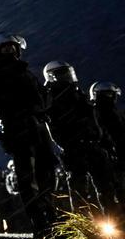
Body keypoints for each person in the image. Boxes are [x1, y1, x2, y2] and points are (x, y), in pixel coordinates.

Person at [0, 33, 58, 239]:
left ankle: (54, 223)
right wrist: (11, 96)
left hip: (38, 128)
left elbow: (43, 99)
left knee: (48, 177)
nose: (10, 51)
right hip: (17, 129)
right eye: (5, 48)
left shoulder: (28, 74)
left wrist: (44, 105)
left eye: (13, 48)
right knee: (27, 180)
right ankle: (40, 226)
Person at [42, 62, 121, 215]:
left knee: (106, 187)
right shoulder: (52, 98)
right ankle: (85, 227)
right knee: (79, 191)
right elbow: (55, 128)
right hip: (73, 149)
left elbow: (94, 120)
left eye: (67, 73)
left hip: (92, 146)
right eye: (62, 74)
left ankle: (114, 223)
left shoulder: (79, 94)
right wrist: (72, 140)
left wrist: (99, 138)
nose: (67, 76)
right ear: (53, 77)